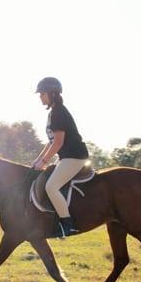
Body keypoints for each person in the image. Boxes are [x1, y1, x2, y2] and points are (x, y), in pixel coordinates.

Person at [31, 77, 89, 238]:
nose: (40, 97)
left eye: (42, 94)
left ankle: (67, 224)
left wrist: (43, 161)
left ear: (53, 94)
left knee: (51, 187)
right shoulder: (53, 113)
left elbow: (58, 142)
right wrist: (38, 159)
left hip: (75, 157)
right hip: (66, 157)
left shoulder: (58, 113)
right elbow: (50, 142)